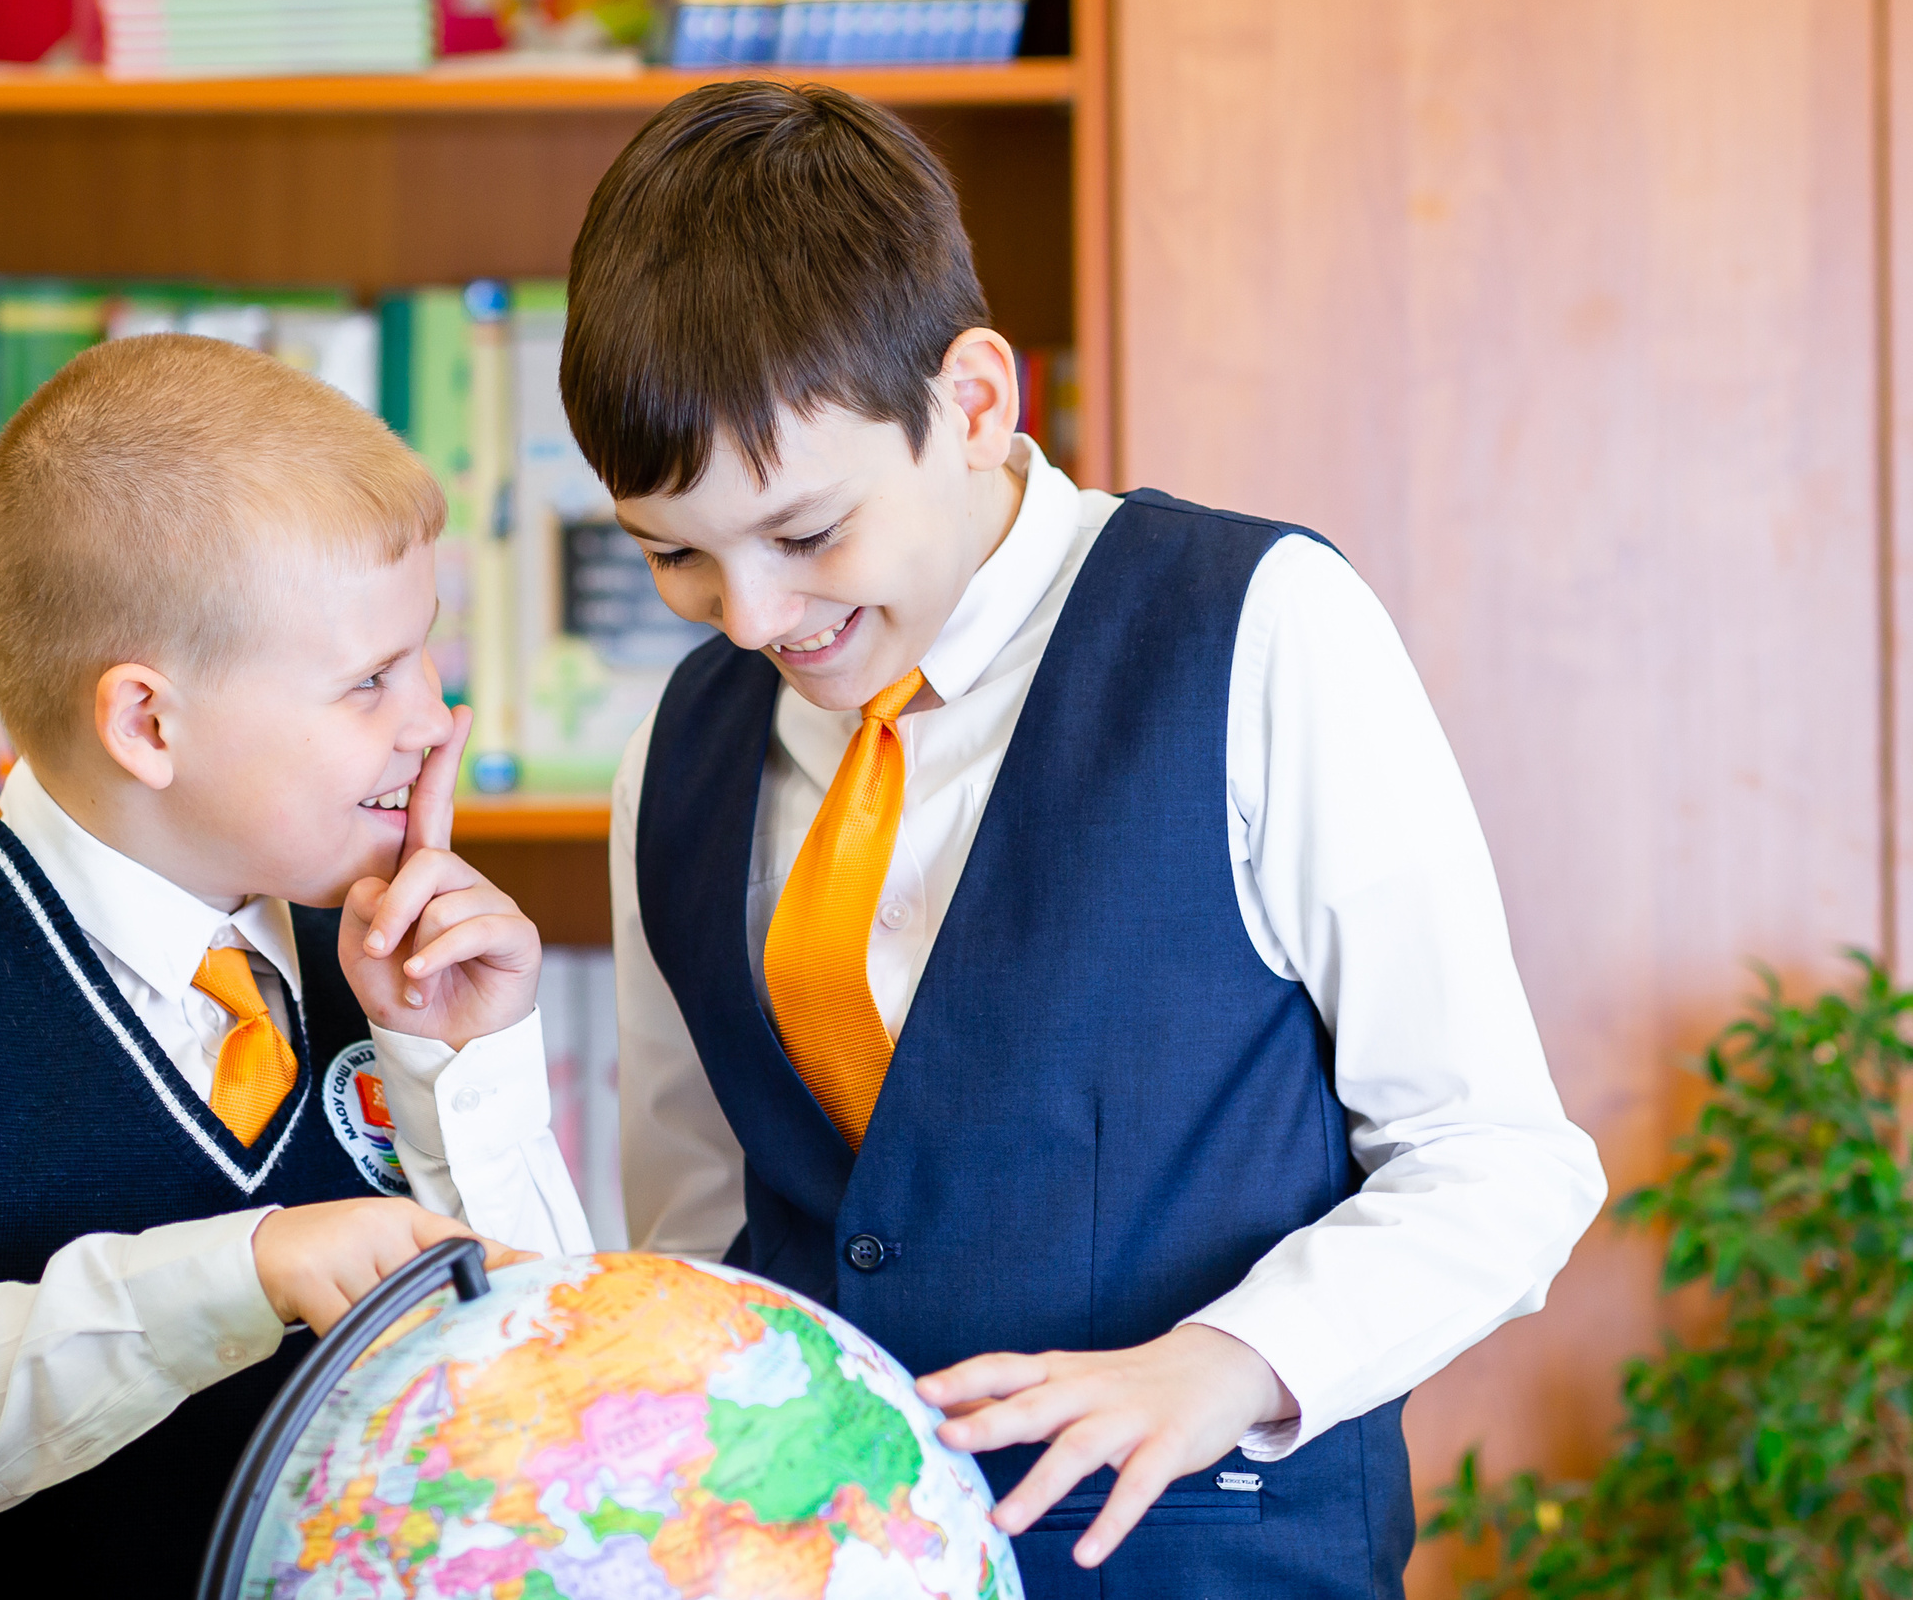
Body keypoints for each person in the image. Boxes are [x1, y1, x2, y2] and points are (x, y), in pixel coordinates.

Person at [559, 79, 1605, 1597]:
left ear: (978, 400)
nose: (753, 618)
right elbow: (701, 1214)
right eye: (673, 555)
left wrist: (1225, 1362)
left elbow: (1499, 1162)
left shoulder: (1257, 628)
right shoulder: (682, 744)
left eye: (805, 534)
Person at [0, 335, 593, 1595]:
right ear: (148, 724)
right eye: (369, 680)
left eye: (421, 655)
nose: (431, 721)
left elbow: (557, 1426)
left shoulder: (387, 966)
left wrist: (459, 1072)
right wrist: (230, 1274)